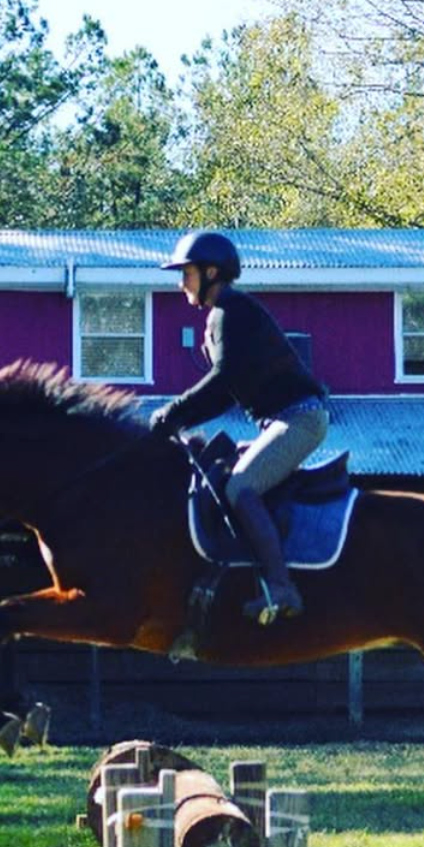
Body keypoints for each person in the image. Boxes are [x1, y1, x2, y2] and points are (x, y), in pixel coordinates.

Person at [150, 230, 329, 622]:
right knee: (222, 474)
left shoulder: (230, 311)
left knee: (241, 487)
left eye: (187, 273)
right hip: (280, 420)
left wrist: (173, 412)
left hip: (298, 419)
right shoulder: (226, 313)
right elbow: (226, 393)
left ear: (211, 272)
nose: (181, 283)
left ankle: (282, 589)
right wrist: (177, 420)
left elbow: (223, 378)